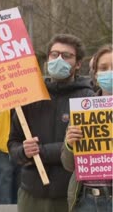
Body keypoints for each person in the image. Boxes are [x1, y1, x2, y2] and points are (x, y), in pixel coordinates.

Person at [7, 33, 94, 212]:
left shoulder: (88, 99)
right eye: (54, 55)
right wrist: (23, 151)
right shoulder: (29, 97)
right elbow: (12, 145)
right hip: (31, 195)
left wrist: (42, 151)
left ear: (78, 64)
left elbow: (88, 149)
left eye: (66, 56)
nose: (59, 59)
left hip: (70, 196)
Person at [61, 44, 112, 212]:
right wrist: (70, 143)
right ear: (96, 75)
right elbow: (68, 165)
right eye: (104, 68)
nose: (109, 72)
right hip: (86, 200)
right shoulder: (83, 111)